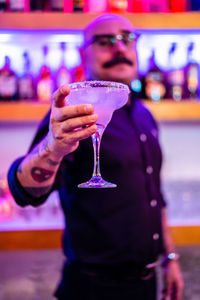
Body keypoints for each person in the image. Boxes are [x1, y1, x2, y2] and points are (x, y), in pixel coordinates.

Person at [8, 14, 184, 300]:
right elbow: (26, 191)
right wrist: (53, 147)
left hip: (148, 282)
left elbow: (154, 196)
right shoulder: (69, 114)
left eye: (127, 39)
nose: (119, 49)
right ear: (83, 53)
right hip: (93, 288)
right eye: (105, 42)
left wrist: (171, 258)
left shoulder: (143, 115)